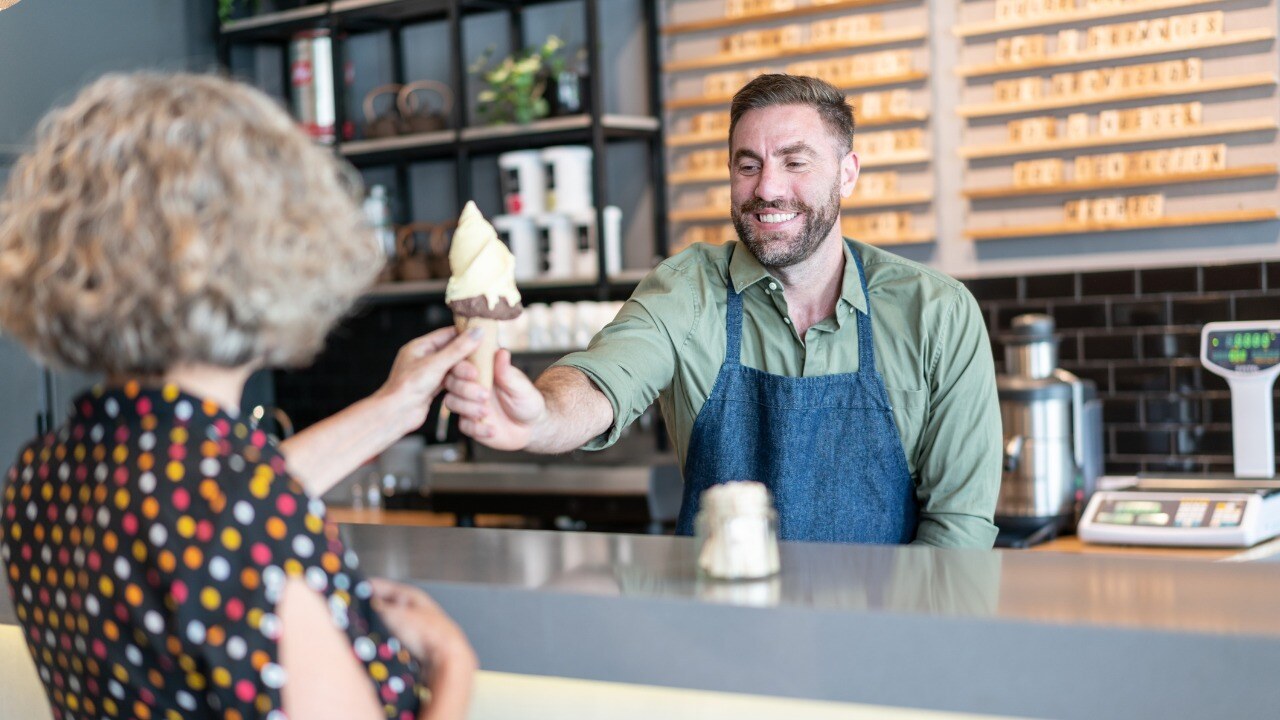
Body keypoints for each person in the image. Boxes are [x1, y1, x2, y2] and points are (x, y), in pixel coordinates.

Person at [0, 72, 477, 720]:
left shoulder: (40, 478)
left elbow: (211, 494)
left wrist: (397, 404)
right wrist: (452, 664)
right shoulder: (237, 503)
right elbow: (239, 505)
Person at [445, 74, 1002, 548]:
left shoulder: (936, 312)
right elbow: (603, 379)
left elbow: (959, 527)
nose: (768, 188)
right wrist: (539, 414)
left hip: (881, 639)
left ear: (847, 172)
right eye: (748, 165)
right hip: (718, 632)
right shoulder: (689, 288)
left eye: (795, 162)